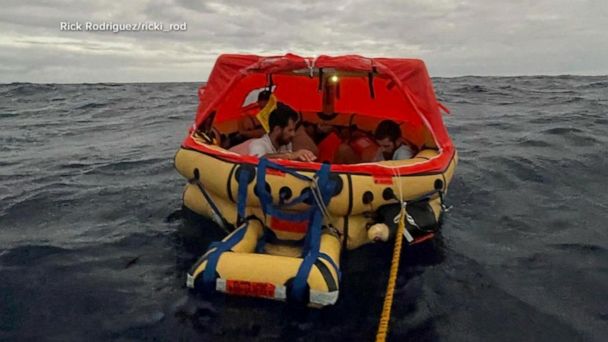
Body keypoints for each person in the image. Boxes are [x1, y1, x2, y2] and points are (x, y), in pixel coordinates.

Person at [231, 102, 316, 161]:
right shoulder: (258, 144)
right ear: (277, 129)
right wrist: (291, 156)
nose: (293, 134)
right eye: (290, 130)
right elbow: (258, 160)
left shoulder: (286, 144)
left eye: (293, 130)